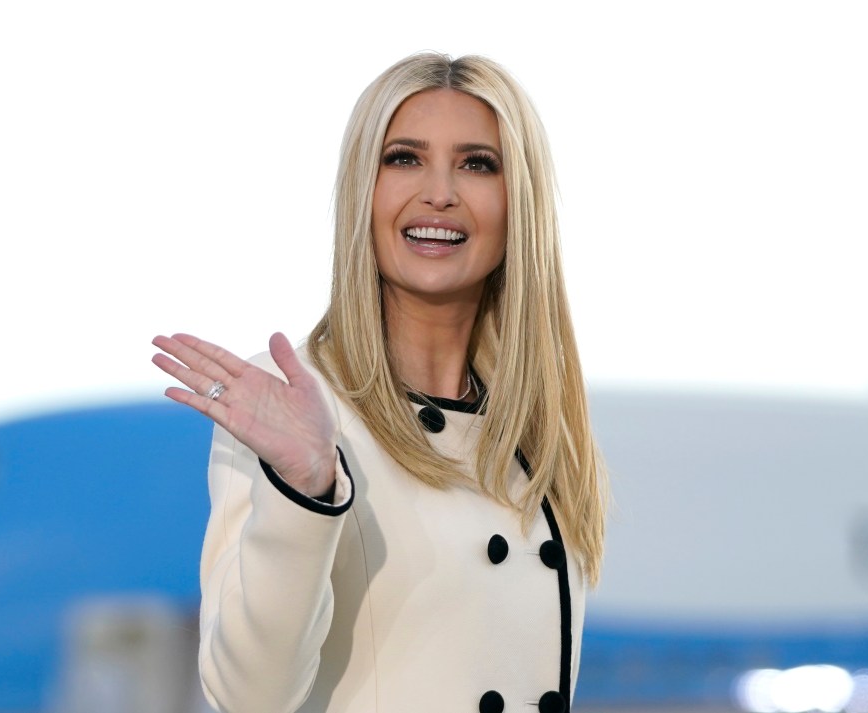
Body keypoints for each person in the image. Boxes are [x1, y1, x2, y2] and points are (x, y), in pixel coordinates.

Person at [152, 52, 608, 713]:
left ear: (521, 203)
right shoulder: (290, 406)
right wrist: (304, 489)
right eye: (403, 158)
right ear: (361, 189)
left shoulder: (537, 426)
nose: (439, 192)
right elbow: (248, 697)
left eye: (478, 163)